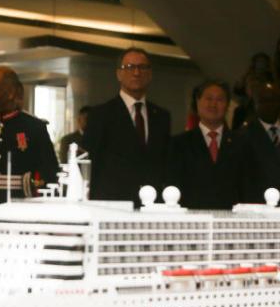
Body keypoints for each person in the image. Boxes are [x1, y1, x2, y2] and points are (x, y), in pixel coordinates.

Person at [83, 48, 171, 203]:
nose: (136, 73)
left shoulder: (162, 117)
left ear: (150, 75)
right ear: (119, 74)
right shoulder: (100, 115)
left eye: (142, 67)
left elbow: (165, 163)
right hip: (112, 205)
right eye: (130, 67)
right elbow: (90, 164)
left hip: (152, 206)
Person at [0, 67, 59, 209]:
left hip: (23, 209)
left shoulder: (34, 127)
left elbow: (50, 173)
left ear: (11, 93)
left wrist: (30, 184)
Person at [167, 81, 253, 209]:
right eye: (208, 99)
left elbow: (248, 187)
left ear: (227, 105)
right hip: (193, 220)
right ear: (198, 102)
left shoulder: (243, 143)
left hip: (231, 220)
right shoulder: (179, 144)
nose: (213, 104)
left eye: (220, 99)